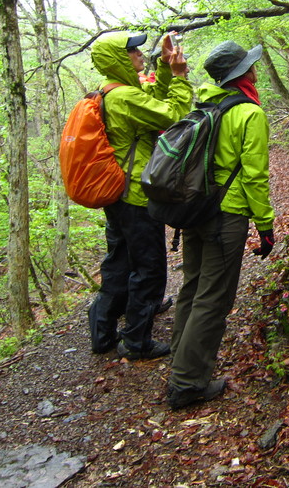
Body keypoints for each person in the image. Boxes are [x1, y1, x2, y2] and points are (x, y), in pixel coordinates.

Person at [167, 40, 275, 410]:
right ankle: (187, 382)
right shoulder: (248, 113)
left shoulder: (206, 104)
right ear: (242, 74)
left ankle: (181, 357)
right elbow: (255, 175)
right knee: (214, 298)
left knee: (193, 286)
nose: (255, 70)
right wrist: (265, 224)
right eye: (250, 66)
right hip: (226, 216)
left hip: (195, 209)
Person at [87, 31, 193, 360]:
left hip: (116, 194)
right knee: (149, 268)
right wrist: (179, 76)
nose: (138, 56)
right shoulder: (123, 98)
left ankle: (102, 331)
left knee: (118, 263)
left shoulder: (112, 91)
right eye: (132, 52)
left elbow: (153, 97)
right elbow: (173, 114)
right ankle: (136, 340)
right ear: (119, 58)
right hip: (134, 196)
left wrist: (163, 67)